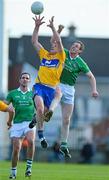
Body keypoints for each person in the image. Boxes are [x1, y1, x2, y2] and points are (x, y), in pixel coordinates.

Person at [44, 26, 99, 158]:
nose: (73, 47)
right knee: (57, 97)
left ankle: (64, 144)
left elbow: (91, 76)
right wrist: (57, 30)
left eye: (76, 47)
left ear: (80, 51)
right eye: (73, 45)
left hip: (70, 89)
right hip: (58, 84)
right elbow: (54, 42)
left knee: (67, 119)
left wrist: (94, 90)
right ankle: (50, 111)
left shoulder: (81, 62)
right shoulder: (64, 53)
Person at [29, 15, 66, 149]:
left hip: (51, 89)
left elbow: (59, 41)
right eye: (53, 44)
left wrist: (54, 29)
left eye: (55, 44)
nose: (53, 45)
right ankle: (41, 136)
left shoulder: (61, 57)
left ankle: (35, 119)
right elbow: (34, 41)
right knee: (40, 108)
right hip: (39, 86)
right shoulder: (44, 54)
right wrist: (37, 26)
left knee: (43, 113)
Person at [6, 72, 36, 179]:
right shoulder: (12, 93)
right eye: (23, 78)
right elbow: (5, 105)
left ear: (29, 81)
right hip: (17, 124)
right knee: (16, 149)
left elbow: (39, 107)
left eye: (27, 78)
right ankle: (13, 173)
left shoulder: (33, 93)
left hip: (29, 122)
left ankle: (29, 167)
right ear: (19, 80)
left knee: (31, 141)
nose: (24, 79)